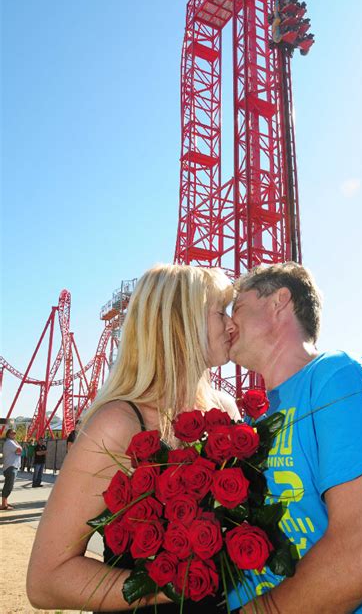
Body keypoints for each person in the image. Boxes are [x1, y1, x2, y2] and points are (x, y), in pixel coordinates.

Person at [27, 263, 239, 613]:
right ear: (180, 322)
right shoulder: (119, 424)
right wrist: (172, 586)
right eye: (220, 312)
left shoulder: (226, 410)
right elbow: (46, 580)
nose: (232, 324)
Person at [226, 262, 362, 614]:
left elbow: (361, 557)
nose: (229, 323)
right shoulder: (253, 418)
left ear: (279, 302)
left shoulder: (338, 375)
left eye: (238, 308)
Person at [1, 428, 22, 510]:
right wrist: (18, 449)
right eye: (13, 433)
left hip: (12, 466)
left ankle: (5, 503)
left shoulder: (12, 442)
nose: (14, 434)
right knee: (8, 486)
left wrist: (18, 449)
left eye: (15, 433)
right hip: (11, 467)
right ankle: (3, 504)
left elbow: (19, 451)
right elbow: (20, 450)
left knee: (9, 485)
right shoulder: (10, 442)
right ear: (8, 434)